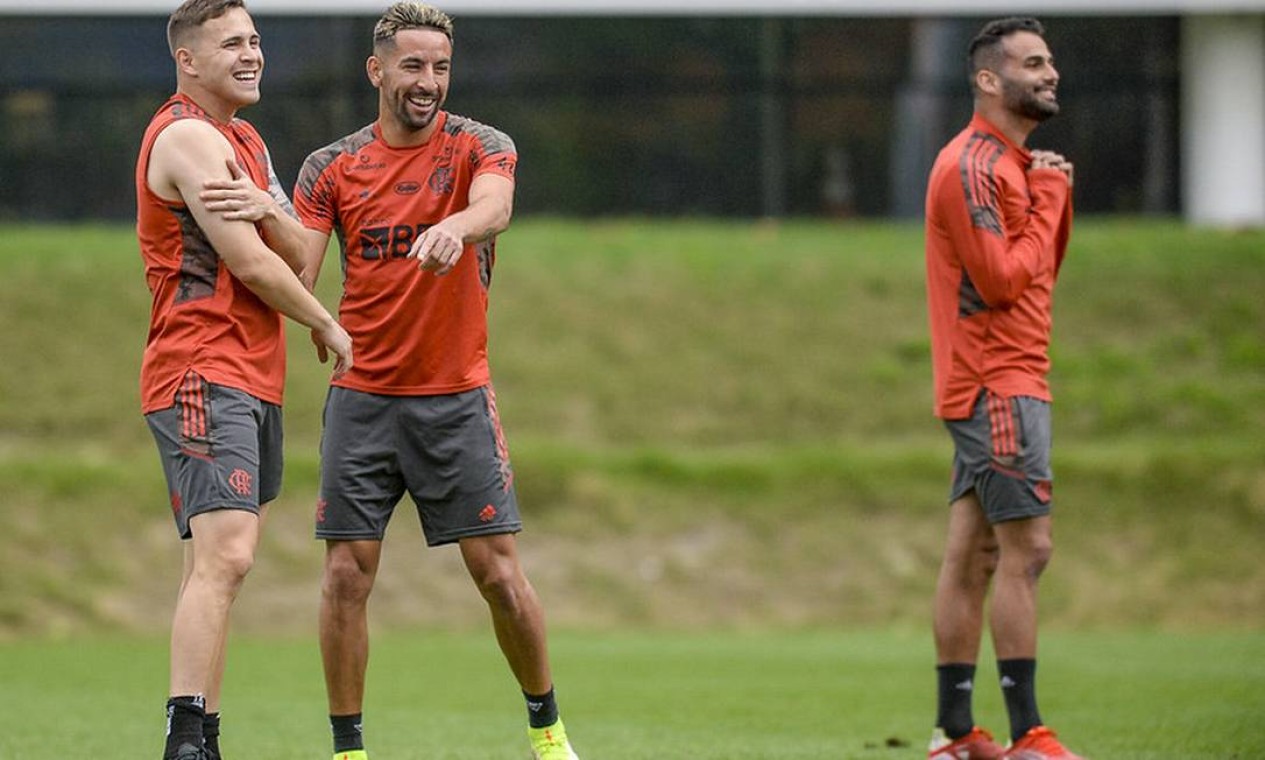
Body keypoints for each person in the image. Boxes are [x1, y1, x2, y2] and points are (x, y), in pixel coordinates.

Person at [286, 4, 576, 759]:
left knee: (499, 577)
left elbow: (498, 203)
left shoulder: (480, 144)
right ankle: (349, 750)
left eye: (440, 67)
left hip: (454, 396)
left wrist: (458, 226)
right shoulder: (330, 166)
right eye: (412, 66)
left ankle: (547, 732)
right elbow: (298, 273)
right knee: (346, 576)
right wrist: (270, 229)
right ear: (376, 71)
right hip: (362, 399)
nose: (428, 82)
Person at [136, 2, 353, 758]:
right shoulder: (189, 136)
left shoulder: (247, 142)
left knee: (216, 562)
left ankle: (206, 738)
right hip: (201, 367)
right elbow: (254, 263)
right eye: (232, 42)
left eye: (256, 40)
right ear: (188, 60)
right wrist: (323, 323)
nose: (252, 53)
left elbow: (296, 251)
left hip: (250, 374)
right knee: (227, 555)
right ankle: (185, 738)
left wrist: (267, 202)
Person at [923, 17, 1083, 760]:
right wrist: (1048, 193)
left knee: (974, 555)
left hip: (1007, 376)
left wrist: (1049, 192)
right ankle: (1030, 734)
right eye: (1031, 63)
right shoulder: (971, 166)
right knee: (1030, 548)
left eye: (1048, 61)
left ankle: (952, 736)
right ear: (988, 80)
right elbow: (997, 282)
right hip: (997, 382)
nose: (1048, 73)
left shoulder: (1013, 164)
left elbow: (1039, 269)